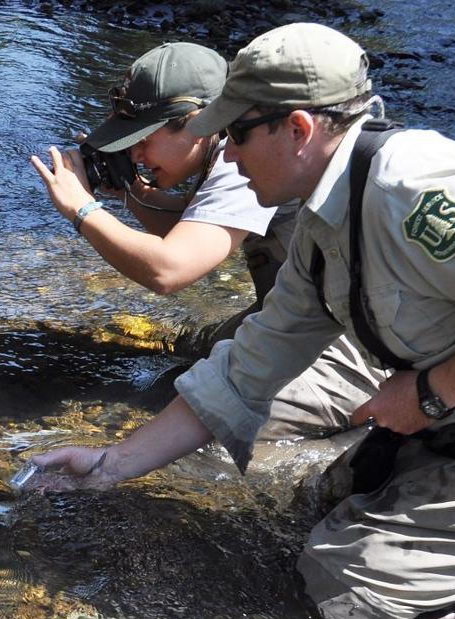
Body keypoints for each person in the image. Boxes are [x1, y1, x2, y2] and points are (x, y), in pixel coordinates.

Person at [26, 23, 455, 619]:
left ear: (298, 129)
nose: (229, 154)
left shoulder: (417, 186)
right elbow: (246, 368)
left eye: (238, 135)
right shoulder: (323, 221)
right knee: (309, 512)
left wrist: (429, 395)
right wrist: (109, 466)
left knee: (336, 597)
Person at [30, 41, 384, 440]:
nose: (136, 154)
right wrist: (132, 193)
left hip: (346, 349)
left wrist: (82, 209)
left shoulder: (244, 160)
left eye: (144, 139)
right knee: (197, 353)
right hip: (296, 318)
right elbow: (193, 231)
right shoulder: (237, 145)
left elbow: (169, 269)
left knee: (188, 413)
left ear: (199, 123)